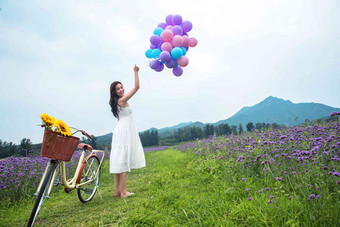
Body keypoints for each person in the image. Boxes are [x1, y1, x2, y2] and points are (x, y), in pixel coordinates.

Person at [109, 64, 146, 198]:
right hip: (124, 131)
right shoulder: (122, 100)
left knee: (119, 159)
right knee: (123, 160)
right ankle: (124, 192)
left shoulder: (116, 102)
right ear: (114, 92)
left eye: (121, 87)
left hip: (120, 130)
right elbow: (136, 87)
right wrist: (135, 72)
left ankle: (117, 191)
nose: (121, 89)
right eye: (117, 88)